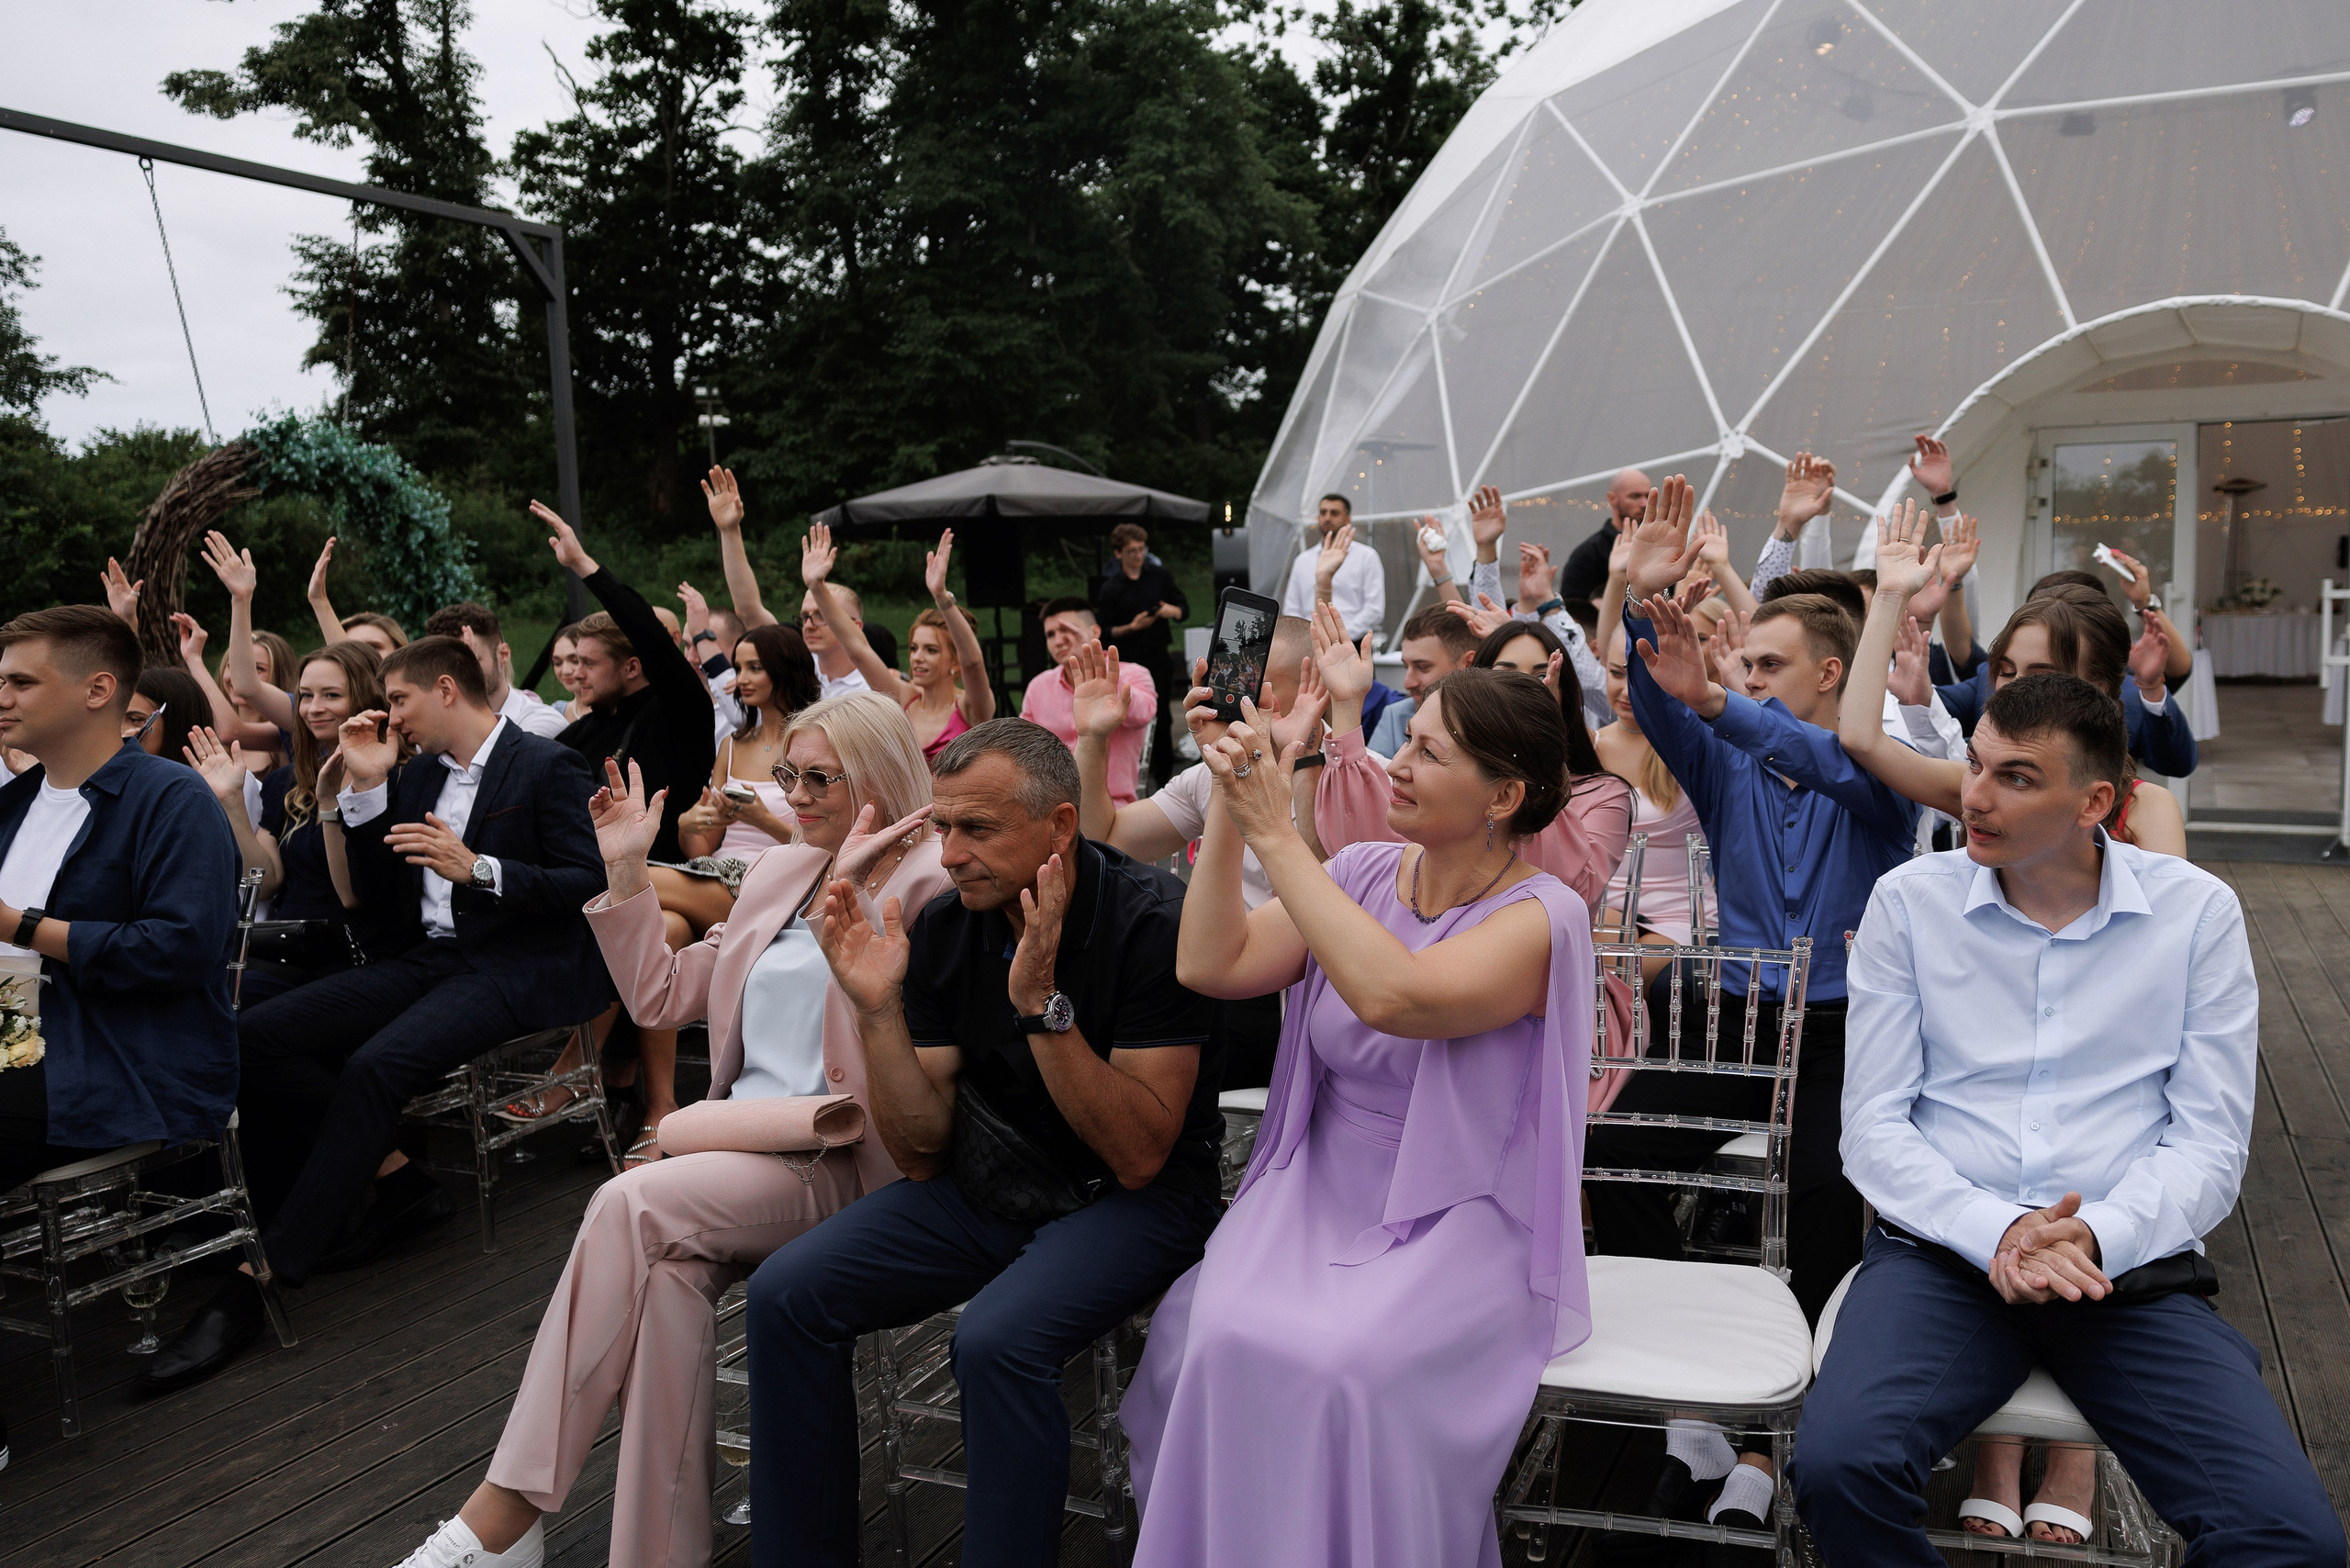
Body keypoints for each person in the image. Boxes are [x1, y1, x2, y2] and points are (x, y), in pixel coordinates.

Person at [1791, 673, 2344, 1568]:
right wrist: (2000, 1230)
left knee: (2291, 1536)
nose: (1974, 795)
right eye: (1975, 765)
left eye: (2015, 776)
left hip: (2124, 1270)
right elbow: (1875, 1127)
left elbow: (2208, 1142)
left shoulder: (2195, 913)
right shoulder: (1909, 902)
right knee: (1837, 1465)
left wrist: (2091, 1236)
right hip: (1942, 1256)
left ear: (2094, 801)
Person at [395, 696, 949, 1568]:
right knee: (667, 1285)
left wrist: (848, 896)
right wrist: (625, 872)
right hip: (739, 1148)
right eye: (789, 774)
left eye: (820, 777)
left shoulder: (930, 884)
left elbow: (906, 1047)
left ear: (880, 778)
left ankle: (504, 1512)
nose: (796, 795)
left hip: (846, 1157)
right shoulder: (781, 868)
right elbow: (661, 996)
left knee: (629, 1205)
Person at [1124, 666, 1594, 1566]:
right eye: (1405, 739)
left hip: (1460, 1209)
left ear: (1503, 795)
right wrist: (1232, 799)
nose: (1396, 764)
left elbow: (1396, 996)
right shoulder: (1362, 870)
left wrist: (1278, 831)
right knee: (1215, 1335)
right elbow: (1211, 963)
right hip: (1317, 1184)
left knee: (1350, 1363)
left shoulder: (1546, 915)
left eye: (1429, 753)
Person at [746, 718, 1222, 1568]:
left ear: (1061, 826)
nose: (951, 853)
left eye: (978, 828)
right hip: (996, 1179)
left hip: (1136, 1199)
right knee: (786, 1293)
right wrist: (876, 1011)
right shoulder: (946, 926)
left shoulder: (1153, 921)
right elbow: (922, 1150)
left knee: (998, 1340)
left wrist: (1041, 1006)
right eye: (942, 826)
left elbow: (1140, 1154)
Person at [143, 636, 612, 1390]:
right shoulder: (417, 771)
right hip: (424, 959)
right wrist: (361, 792)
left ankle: (258, 1281)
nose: (388, 715)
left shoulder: (546, 763)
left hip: (515, 966)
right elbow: (375, 895)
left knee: (374, 1067)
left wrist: (480, 869)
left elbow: (588, 881)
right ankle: (395, 1180)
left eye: (398, 699)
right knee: (251, 1036)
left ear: (446, 689)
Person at [1602, 474, 1920, 1537]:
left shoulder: (1870, 772)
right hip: (1725, 1018)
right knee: (1613, 1153)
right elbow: (1661, 703)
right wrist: (1637, 601)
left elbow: (1822, 756)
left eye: (1765, 665)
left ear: (1832, 673)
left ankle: (1770, 1441)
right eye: (1742, 665)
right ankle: (1693, 1387)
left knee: (1825, 1201)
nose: (1743, 680)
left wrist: (1713, 702)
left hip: (1837, 1032)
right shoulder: (1724, 755)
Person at [0, 606, 241, 1453]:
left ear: (98, 689)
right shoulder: (16, 802)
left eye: (20, 681)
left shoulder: (171, 799)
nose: (1, 696)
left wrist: (21, 926)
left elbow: (181, 950)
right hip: (17, 1036)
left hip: (123, 1057)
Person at [1841, 508, 2188, 860]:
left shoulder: (2144, 806)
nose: (2014, 689)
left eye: (2041, 675)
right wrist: (1890, 596)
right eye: (2006, 671)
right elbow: (1861, 739)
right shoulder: (1974, 784)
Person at [1069, 628, 1328, 1089]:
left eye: (1253, 680)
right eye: (1231, 677)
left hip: (1318, 987)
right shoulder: (1205, 775)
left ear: (1312, 688)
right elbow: (1103, 839)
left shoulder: (1363, 774)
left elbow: (1323, 895)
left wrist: (1305, 762)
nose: (1235, 693)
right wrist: (1092, 739)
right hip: (1223, 979)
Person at [1315, 603, 1632, 913]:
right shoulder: (1386, 849)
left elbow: (1569, 891)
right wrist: (1345, 706)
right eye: (1504, 673)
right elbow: (1358, 839)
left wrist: (1537, 748)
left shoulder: (1604, 795)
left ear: (1505, 797)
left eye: (1538, 679)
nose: (1521, 692)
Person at [658, 623, 825, 929]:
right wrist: (687, 825)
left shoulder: (818, 744)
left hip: (775, 881)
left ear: (786, 670)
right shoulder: (732, 745)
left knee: (634, 877)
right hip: (716, 872)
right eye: (738, 668)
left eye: (754, 668)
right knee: (671, 928)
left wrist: (763, 820)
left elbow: (829, 847)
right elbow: (701, 849)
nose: (741, 679)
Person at [801, 520, 997, 763]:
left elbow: (974, 663)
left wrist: (942, 598)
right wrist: (817, 587)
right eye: (914, 648)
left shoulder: (971, 707)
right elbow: (859, 650)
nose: (917, 658)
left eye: (931, 650)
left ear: (955, 662)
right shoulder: (903, 698)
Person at [702, 465, 874, 700]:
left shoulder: (874, 685)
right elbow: (748, 612)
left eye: (821, 615)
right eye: (804, 616)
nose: (808, 625)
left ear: (856, 626)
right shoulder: (793, 669)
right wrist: (729, 531)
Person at [1592, 620, 1711, 951]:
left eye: (1644, 678)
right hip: (1600, 910)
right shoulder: (1584, 746)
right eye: (1617, 674)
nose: (1628, 690)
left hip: (1684, 915)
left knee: (1628, 964)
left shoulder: (1697, 747)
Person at [1022, 599, 1157, 805]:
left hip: (1113, 804)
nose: (1058, 641)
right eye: (1050, 634)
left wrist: (1098, 667)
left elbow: (1143, 715)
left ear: (1095, 632)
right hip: (1050, 805)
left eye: (1068, 630)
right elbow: (1024, 751)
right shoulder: (1038, 686)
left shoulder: (1134, 674)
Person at [1093, 522, 1188, 772]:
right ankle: (1130, 770)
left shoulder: (1159, 577)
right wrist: (1131, 627)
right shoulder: (1111, 588)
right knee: (1129, 716)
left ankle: (1164, 773)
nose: (1138, 556)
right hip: (1129, 660)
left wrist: (1171, 610)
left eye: (1141, 549)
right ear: (1118, 553)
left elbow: (1183, 609)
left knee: (1163, 717)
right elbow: (1103, 631)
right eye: (1131, 551)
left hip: (1158, 656)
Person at [426, 601, 571, 740]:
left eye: (471, 661)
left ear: (503, 654)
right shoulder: (434, 727)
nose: (457, 675)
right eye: (446, 667)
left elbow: (498, 754)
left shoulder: (541, 720)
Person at [1365, 602, 1482, 756]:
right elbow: (1371, 772)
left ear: (1468, 664)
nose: (1408, 683)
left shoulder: (1498, 720)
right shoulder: (1396, 717)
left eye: (1422, 667)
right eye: (1406, 667)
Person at [1279, 493, 1385, 641]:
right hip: (1310, 642)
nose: (1327, 518)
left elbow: (1374, 609)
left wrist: (1341, 636)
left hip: (1353, 642)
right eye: (1323, 512)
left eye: (1334, 513)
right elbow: (1291, 608)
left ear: (1347, 519)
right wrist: (1309, 638)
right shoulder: (1303, 560)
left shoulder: (1366, 556)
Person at [1555, 467, 1653, 604]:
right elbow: (1574, 610)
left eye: (1647, 496)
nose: (1644, 504)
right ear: (1612, 499)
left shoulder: (1655, 547)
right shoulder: (1588, 555)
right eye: (1635, 496)